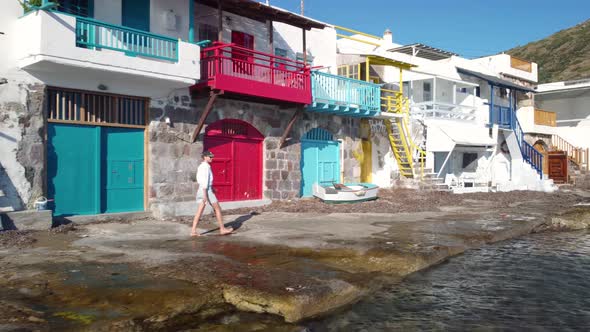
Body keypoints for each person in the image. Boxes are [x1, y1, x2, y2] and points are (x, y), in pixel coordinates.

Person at [191, 150, 233, 237]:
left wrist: (211, 188)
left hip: (202, 189)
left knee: (200, 211)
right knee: (217, 208)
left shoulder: (201, 166)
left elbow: (202, 180)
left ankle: (193, 231)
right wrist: (206, 194)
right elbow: (205, 181)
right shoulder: (206, 167)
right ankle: (222, 229)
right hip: (206, 190)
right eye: (210, 157)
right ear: (205, 157)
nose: (212, 158)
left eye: (212, 156)